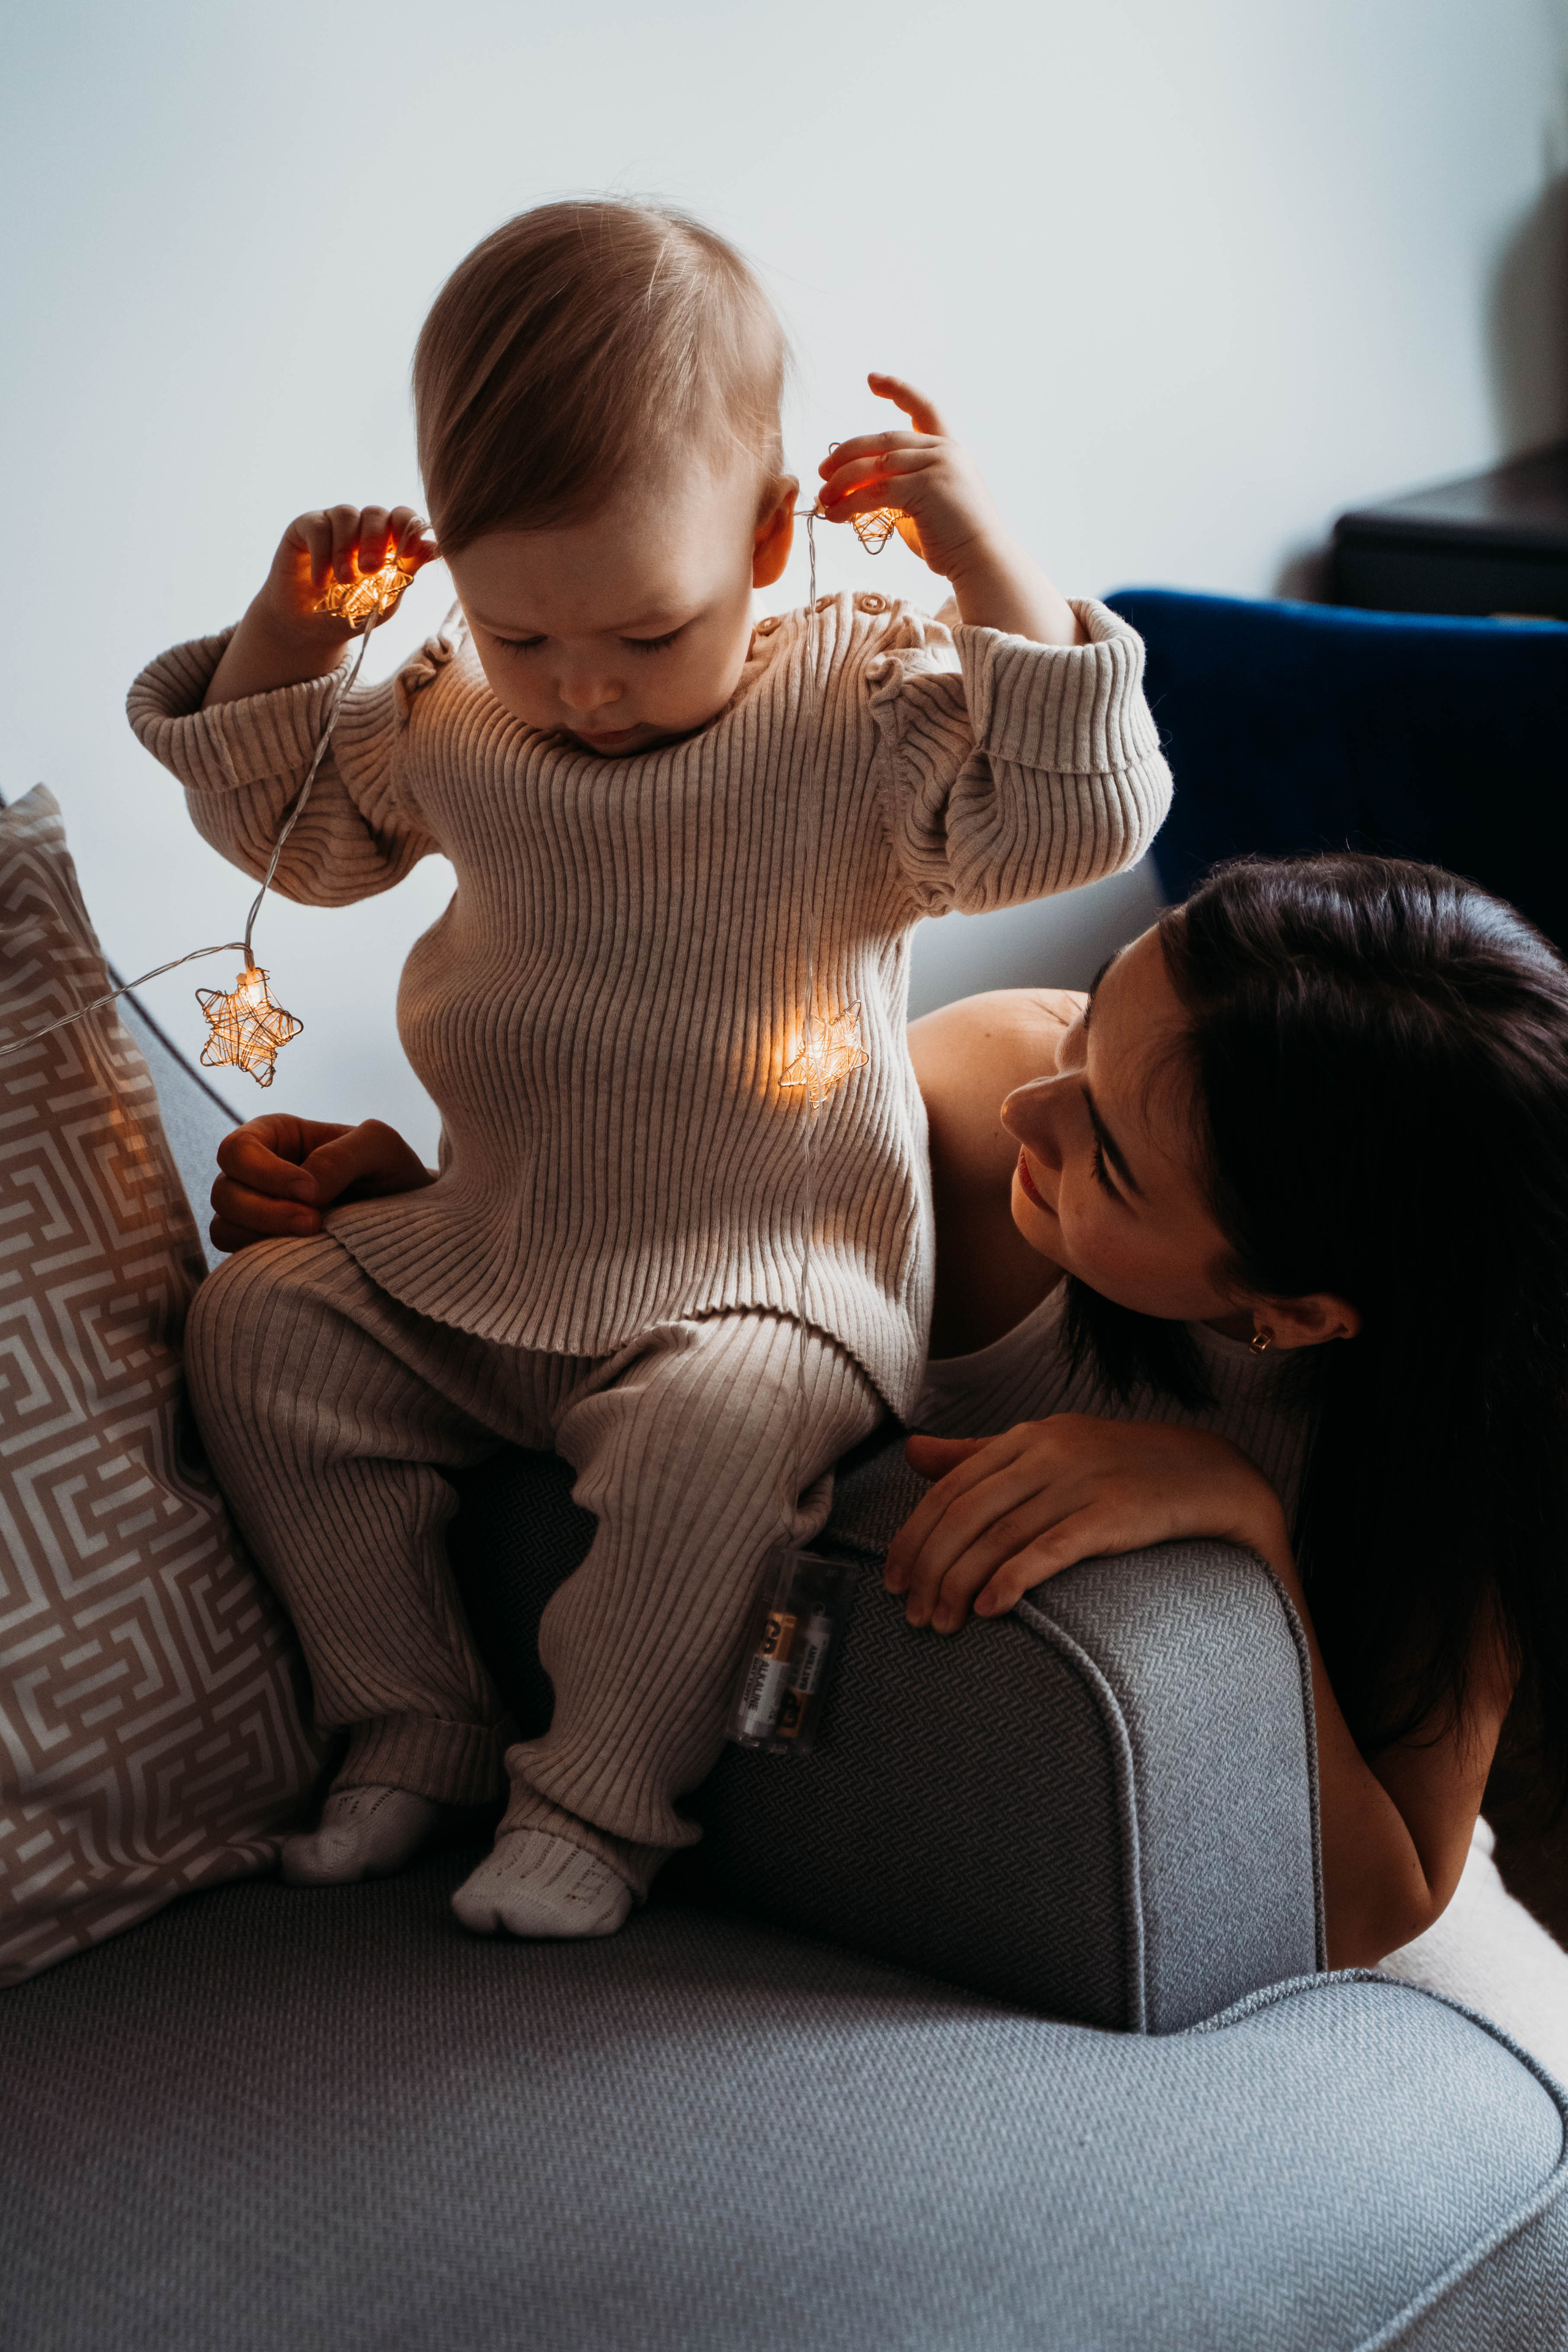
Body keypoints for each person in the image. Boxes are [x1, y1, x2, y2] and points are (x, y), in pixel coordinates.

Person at [124, 198, 1170, 1940]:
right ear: (452, 572)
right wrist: (292, 641)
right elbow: (294, 838)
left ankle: (596, 1807)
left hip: (768, 1275)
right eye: (527, 636)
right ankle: (412, 1720)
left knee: (716, 1434)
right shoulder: (461, 718)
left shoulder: (858, 710)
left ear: (769, 541)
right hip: (496, 1255)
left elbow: (1076, 819)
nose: (586, 693)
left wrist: (989, 561)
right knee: (261, 1329)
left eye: (639, 633)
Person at [211, 852, 1568, 2065]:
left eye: (1104, 1154)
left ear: (1293, 1314)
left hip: (1190, 1927)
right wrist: (437, 1230)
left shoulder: (1462, 1444)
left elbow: (1374, 1906)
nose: (1034, 1104)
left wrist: (1240, 1527)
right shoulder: (958, 1104)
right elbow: (649, 1266)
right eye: (1089, 1018)